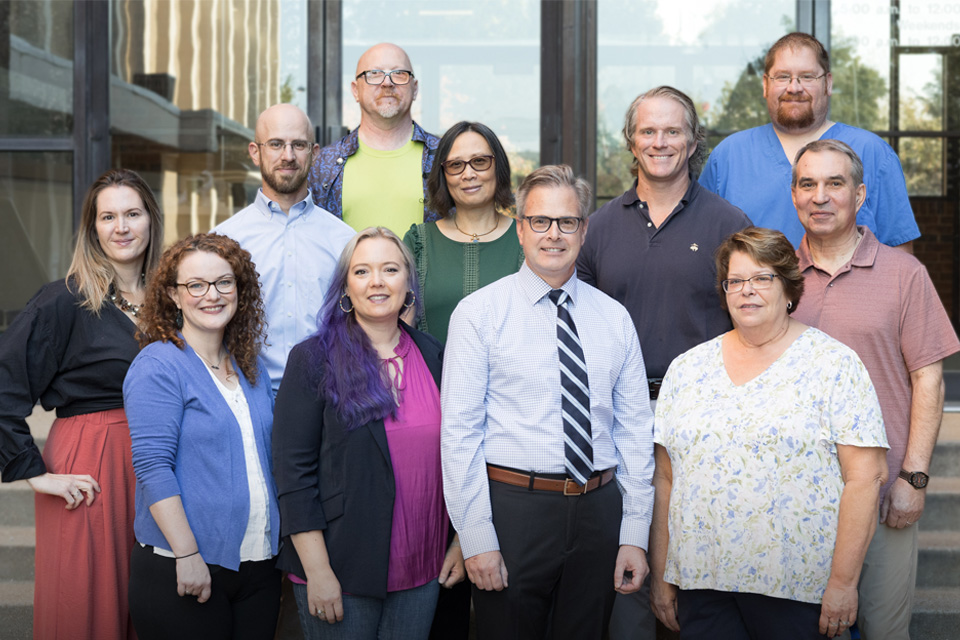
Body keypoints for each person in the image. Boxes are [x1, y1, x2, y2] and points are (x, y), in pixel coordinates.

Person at [442, 165, 655, 640]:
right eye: (540, 221)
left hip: (599, 512)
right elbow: (458, 435)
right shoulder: (479, 315)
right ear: (520, 228)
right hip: (515, 513)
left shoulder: (614, 319)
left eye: (567, 222)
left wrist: (633, 534)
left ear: (584, 229)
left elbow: (636, 432)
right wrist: (476, 538)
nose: (553, 234)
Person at [649, 226, 889, 639]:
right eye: (736, 281)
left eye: (762, 278)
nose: (747, 291)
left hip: (799, 590)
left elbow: (865, 479)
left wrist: (844, 583)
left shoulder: (834, 365)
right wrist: (661, 574)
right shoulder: (687, 369)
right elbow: (666, 479)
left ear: (790, 289)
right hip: (702, 585)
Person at [578, 85, 751, 640]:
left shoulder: (728, 224)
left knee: (700, 558)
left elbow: (751, 323)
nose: (660, 141)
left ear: (694, 140)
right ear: (631, 141)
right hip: (618, 416)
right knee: (628, 558)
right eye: (648, 130)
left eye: (673, 130)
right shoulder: (599, 227)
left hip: (704, 420)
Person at [790, 139, 960, 639]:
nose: (820, 196)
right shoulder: (775, 277)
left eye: (834, 184)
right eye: (808, 184)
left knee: (884, 631)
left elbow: (928, 376)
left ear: (859, 195)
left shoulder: (905, 275)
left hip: (883, 491)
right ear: (795, 195)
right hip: (794, 495)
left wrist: (915, 477)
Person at [272, 227, 464, 639]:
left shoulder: (433, 353)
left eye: (390, 269)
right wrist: (317, 571)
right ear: (346, 286)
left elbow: (460, 453)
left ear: (407, 283)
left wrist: (461, 541)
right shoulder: (312, 359)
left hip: (423, 568)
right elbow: (292, 473)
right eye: (362, 271)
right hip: (341, 569)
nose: (377, 281)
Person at [0, 168, 162, 640]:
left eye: (132, 213)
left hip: (158, 463)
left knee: (147, 605)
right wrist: (35, 473)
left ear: (151, 220)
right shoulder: (63, 301)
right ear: (92, 228)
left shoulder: (172, 298)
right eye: (107, 216)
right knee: (87, 604)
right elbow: (4, 386)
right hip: (92, 462)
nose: (122, 227)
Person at [124, 233, 280, 639]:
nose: (212, 294)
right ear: (174, 296)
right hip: (184, 565)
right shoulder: (158, 365)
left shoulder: (250, 366)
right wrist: (187, 553)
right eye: (196, 285)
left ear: (239, 289)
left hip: (258, 564)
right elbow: (152, 467)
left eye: (224, 282)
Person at [699, 32, 919, 250]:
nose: (794, 87)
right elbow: (702, 244)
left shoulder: (873, 153)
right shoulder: (728, 156)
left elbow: (900, 258)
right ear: (766, 85)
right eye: (783, 77)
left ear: (828, 84)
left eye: (807, 76)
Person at [214, 103, 356, 394]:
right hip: (249, 396)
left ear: (314, 153)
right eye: (276, 144)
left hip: (328, 399)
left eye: (298, 145)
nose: (288, 156)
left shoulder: (345, 241)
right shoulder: (224, 240)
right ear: (255, 152)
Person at [403, 121, 523, 345]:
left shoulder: (527, 238)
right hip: (432, 378)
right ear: (443, 174)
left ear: (499, 167)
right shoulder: (418, 242)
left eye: (479, 161)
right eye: (456, 164)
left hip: (512, 379)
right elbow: (397, 331)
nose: (468, 174)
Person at [309, 43, 441, 235]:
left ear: (415, 89)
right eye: (374, 74)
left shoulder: (445, 157)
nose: (387, 83)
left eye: (399, 73)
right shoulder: (323, 164)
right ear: (355, 90)